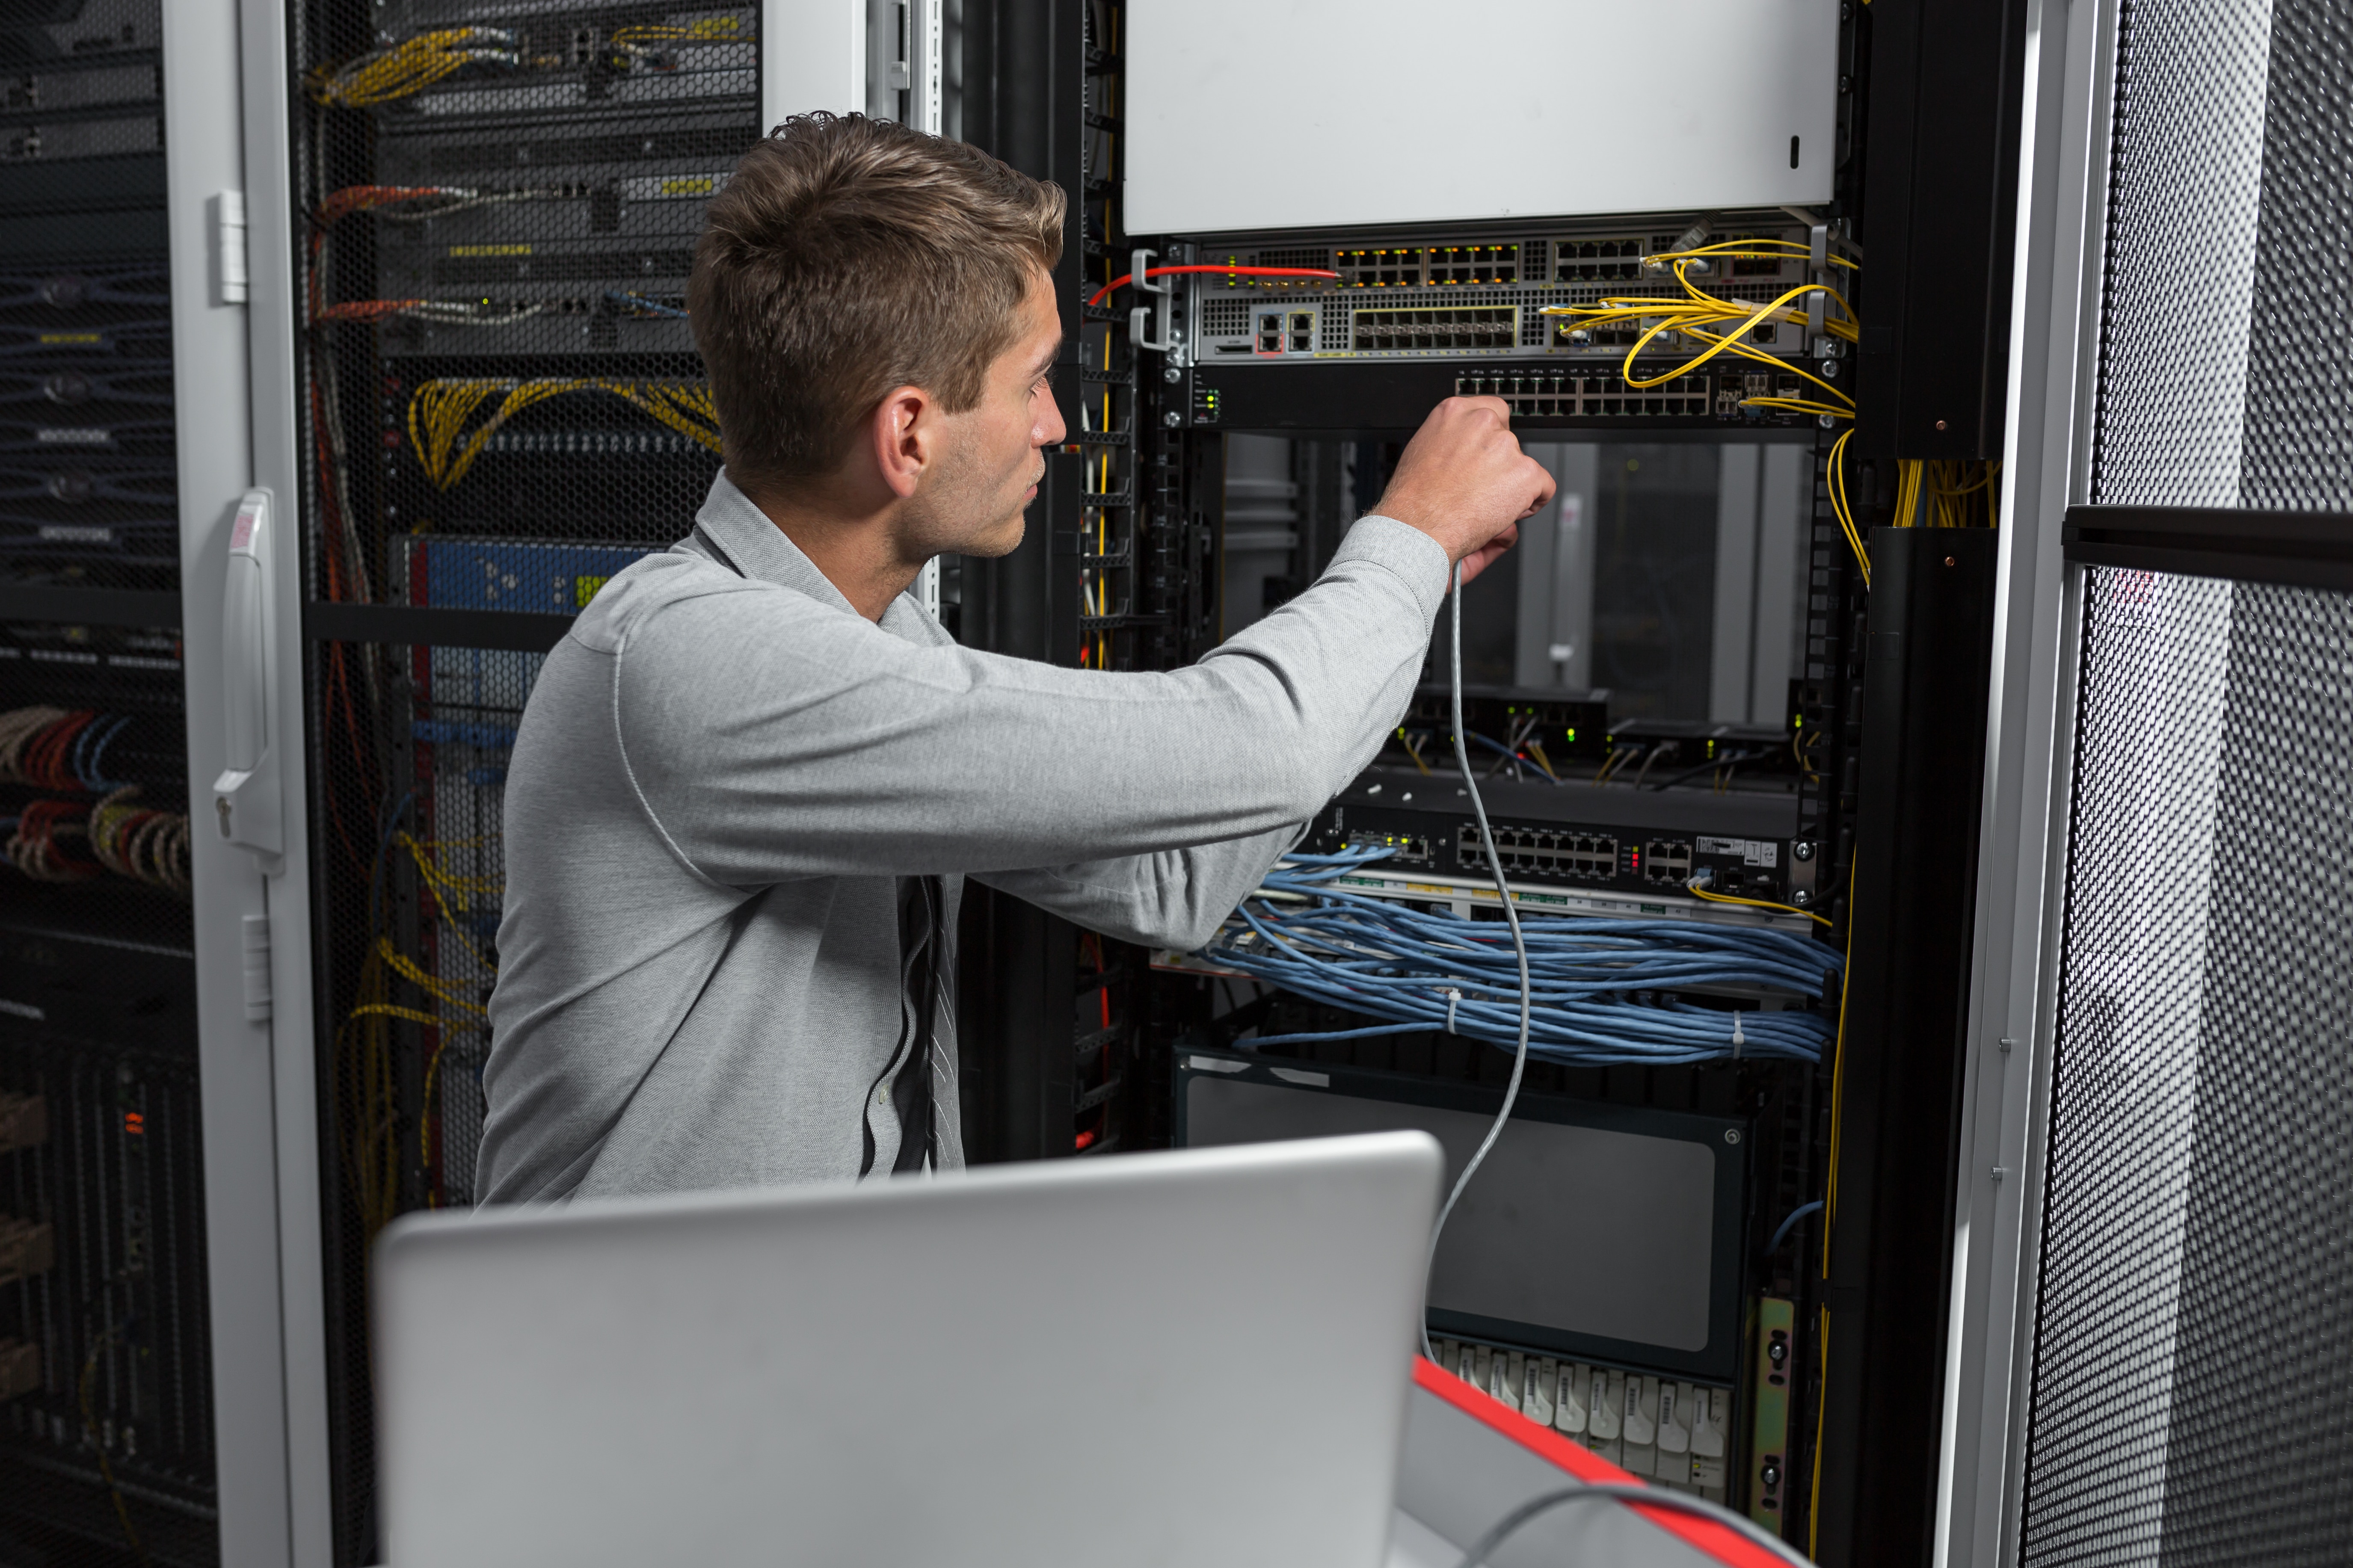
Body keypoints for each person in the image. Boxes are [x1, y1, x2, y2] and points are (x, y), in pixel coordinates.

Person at [474, 112, 1551, 1203]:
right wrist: (1408, 533)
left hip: (800, 1333)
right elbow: (1260, 748)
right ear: (908, 436)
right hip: (629, 1360)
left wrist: (1404, 596)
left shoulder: (871, 640)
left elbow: (1165, 885)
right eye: (1032, 380)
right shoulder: (692, 664)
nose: (1058, 424)